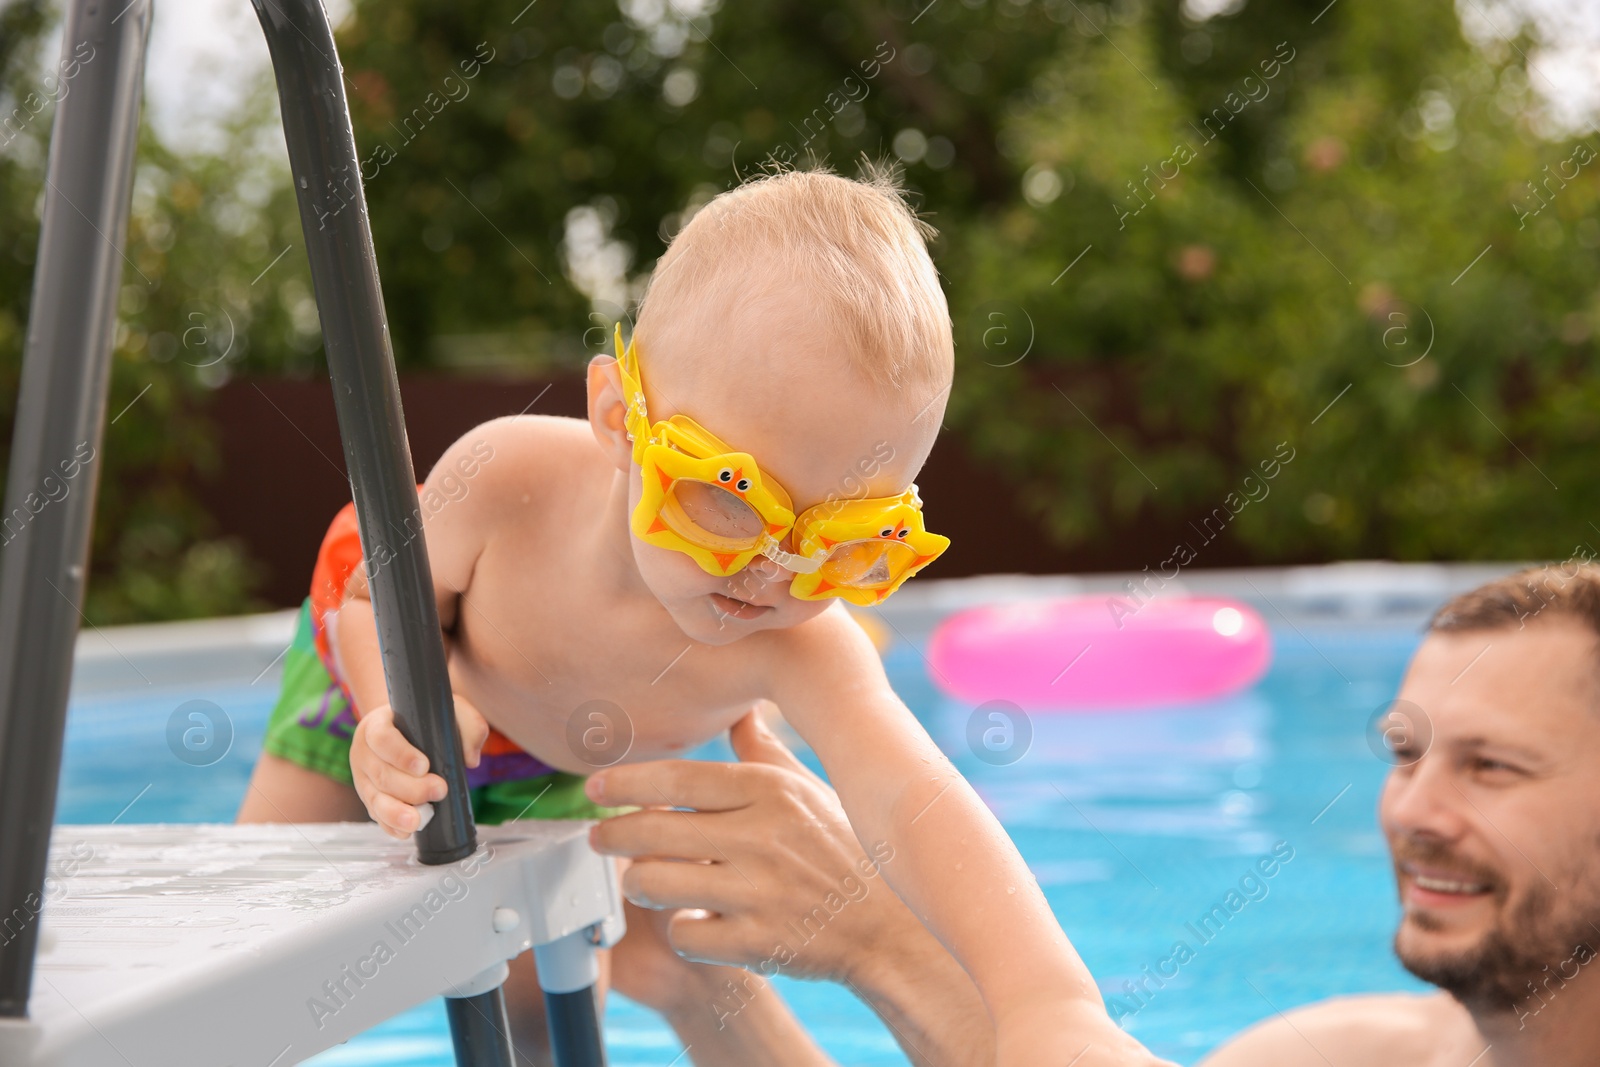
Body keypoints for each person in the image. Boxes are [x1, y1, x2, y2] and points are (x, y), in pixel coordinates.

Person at [238, 164, 1147, 1065]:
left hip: (551, 758)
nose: (772, 573)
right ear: (617, 416)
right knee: (258, 948)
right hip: (390, 665)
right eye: (729, 499)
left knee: (542, 1017)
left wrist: (1050, 1001)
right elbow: (374, 599)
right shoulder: (507, 480)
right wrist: (391, 714)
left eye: (843, 538)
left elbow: (915, 797)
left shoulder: (800, 642)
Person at [591, 563, 1600, 1066]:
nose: (1415, 809)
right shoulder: (1353, 1049)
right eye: (1405, 753)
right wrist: (708, 993)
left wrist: (876, 932)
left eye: (1494, 767)